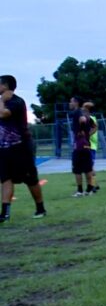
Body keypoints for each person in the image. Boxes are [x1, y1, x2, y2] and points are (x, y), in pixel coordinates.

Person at [0, 74, 46, 221]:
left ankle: (40, 208)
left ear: (6, 85)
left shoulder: (16, 102)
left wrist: (2, 100)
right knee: (5, 178)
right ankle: (5, 213)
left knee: (30, 178)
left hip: (21, 146)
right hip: (4, 148)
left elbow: (3, 114)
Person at [70, 100, 95, 196]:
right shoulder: (89, 117)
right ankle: (90, 189)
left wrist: (80, 130)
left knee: (77, 169)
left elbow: (82, 120)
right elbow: (95, 127)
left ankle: (80, 190)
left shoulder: (78, 113)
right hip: (87, 145)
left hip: (79, 145)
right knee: (88, 169)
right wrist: (88, 134)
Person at [82, 102, 100, 193]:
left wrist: (86, 136)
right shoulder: (92, 118)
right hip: (90, 145)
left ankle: (92, 185)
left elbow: (94, 128)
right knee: (90, 166)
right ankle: (95, 185)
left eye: (84, 108)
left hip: (90, 145)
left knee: (90, 166)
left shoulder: (89, 119)